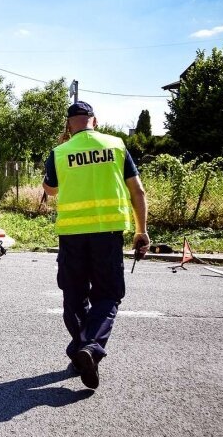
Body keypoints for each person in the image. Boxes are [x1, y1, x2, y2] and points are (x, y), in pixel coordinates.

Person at [42, 101, 149, 390]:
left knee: (74, 295)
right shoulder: (116, 145)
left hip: (72, 234)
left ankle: (82, 352)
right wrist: (142, 231)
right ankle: (90, 348)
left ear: (68, 125)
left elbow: (50, 191)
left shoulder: (59, 152)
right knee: (108, 294)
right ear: (94, 120)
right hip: (107, 233)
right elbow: (137, 190)